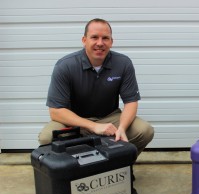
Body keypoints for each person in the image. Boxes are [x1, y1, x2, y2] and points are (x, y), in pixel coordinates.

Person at [38, 18, 154, 156]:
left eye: (105, 38)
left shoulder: (123, 63)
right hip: (75, 121)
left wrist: (122, 128)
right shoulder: (65, 66)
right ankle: (73, 172)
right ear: (84, 40)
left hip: (109, 117)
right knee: (46, 138)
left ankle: (120, 166)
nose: (100, 43)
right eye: (94, 37)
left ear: (111, 41)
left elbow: (131, 102)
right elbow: (56, 111)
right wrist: (94, 126)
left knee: (145, 130)